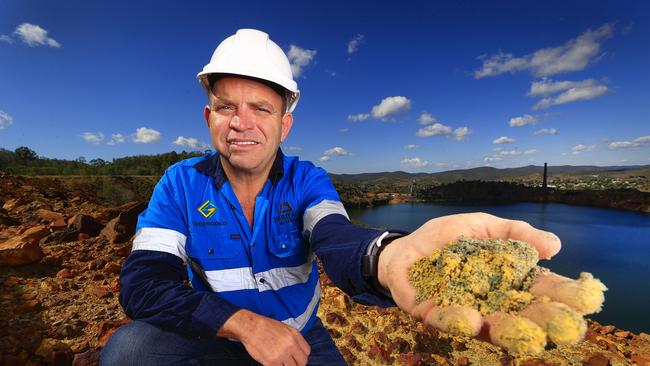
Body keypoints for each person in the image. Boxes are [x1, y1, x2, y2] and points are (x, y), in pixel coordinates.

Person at [101, 29, 580, 366]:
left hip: (301, 337)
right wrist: (245, 325)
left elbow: (337, 238)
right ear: (209, 117)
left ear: (284, 123)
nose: (241, 122)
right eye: (227, 106)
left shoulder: (307, 181)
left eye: (261, 109)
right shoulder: (179, 185)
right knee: (129, 351)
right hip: (213, 334)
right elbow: (143, 284)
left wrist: (390, 260)